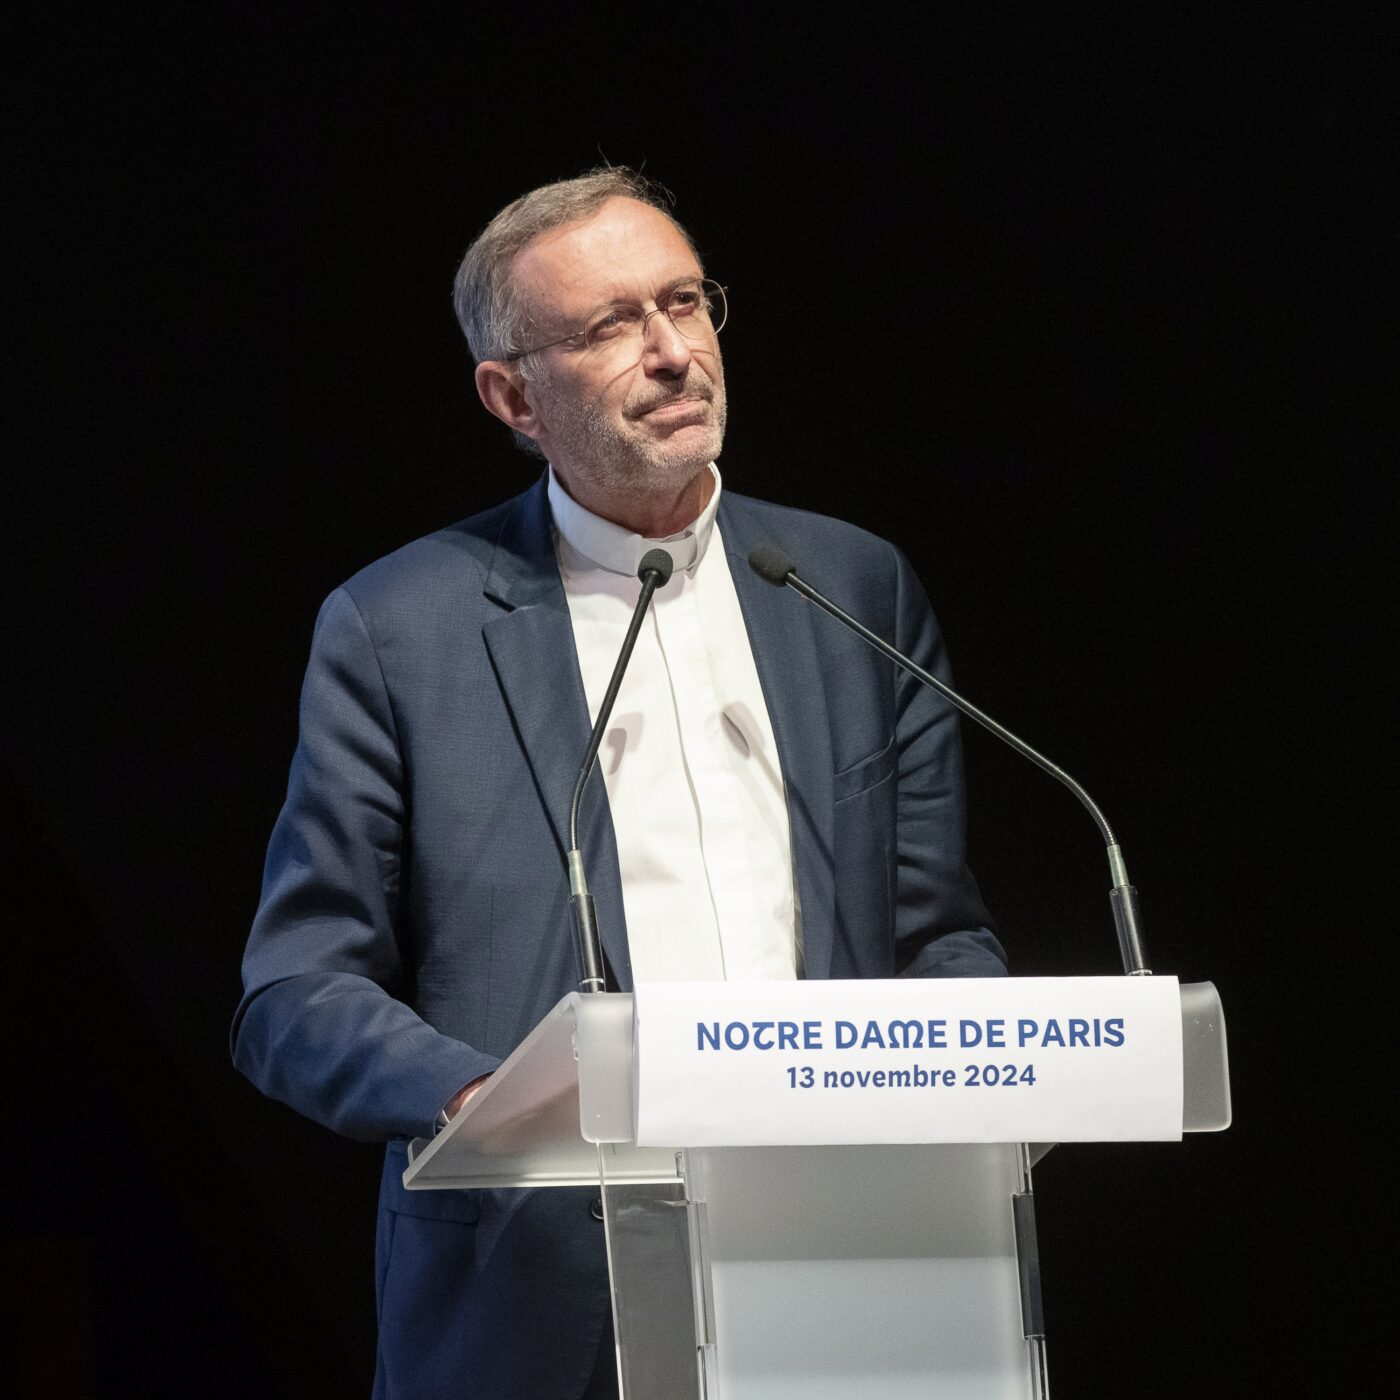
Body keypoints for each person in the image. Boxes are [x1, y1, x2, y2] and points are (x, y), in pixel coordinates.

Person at [233, 167, 1005, 1400]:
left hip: (843, 1272)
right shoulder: (399, 628)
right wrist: (480, 1097)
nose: (669, 352)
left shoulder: (851, 588)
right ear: (511, 395)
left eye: (683, 302)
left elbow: (937, 933)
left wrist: (993, 1056)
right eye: (607, 327)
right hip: (539, 1299)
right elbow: (293, 987)